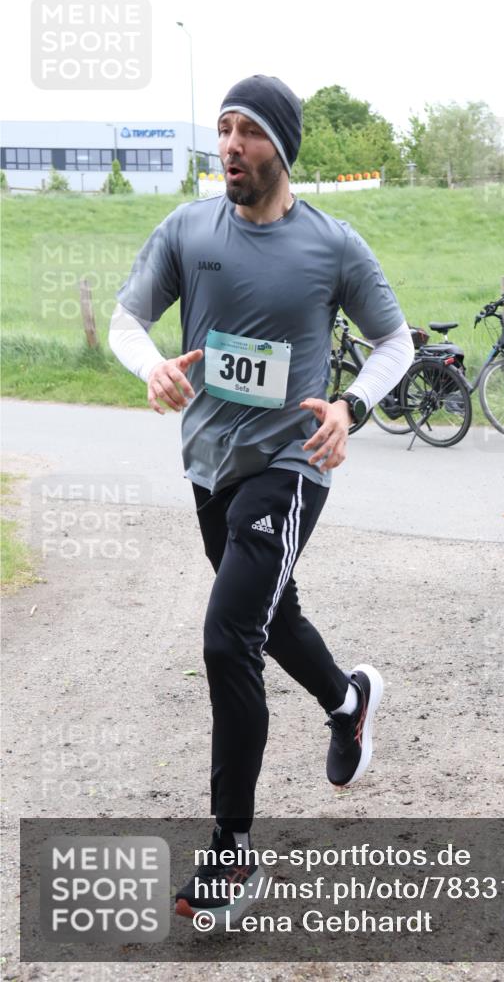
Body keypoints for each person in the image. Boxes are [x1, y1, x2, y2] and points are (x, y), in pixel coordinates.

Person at [108, 74, 414, 924]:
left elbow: (393, 341)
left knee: (227, 635)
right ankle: (348, 701)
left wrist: (350, 406)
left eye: (247, 131)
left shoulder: (332, 245)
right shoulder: (188, 229)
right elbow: (126, 322)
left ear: (281, 146)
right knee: (272, 618)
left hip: (291, 463)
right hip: (210, 464)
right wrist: (153, 367)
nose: (230, 145)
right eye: (223, 128)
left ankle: (231, 851)